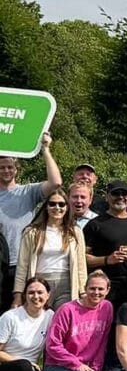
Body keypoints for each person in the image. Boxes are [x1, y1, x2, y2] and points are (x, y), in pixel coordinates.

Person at [0, 132, 63, 311]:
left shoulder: (27, 191)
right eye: (2, 168)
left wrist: (45, 149)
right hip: (0, 264)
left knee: (21, 313)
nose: (6, 171)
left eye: (10, 167)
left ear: (16, 169)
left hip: (23, 264)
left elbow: (56, 183)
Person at [43, 271, 114, 371]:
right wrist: (76, 365)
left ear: (107, 290)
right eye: (92, 288)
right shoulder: (67, 309)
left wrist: (95, 368)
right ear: (85, 288)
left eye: (101, 289)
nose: (96, 292)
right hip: (58, 367)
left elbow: (102, 342)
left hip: (86, 368)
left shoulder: (107, 308)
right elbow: (52, 345)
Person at [13, 188, 87, 310]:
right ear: (46, 207)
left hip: (66, 284)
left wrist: (83, 291)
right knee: (40, 320)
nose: (57, 208)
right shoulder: (31, 232)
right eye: (52, 204)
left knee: (62, 319)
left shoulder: (75, 231)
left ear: (67, 207)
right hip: (39, 284)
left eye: (61, 204)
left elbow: (81, 264)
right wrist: (18, 295)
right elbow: (22, 265)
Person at [0, 277, 55, 371]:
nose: (36, 296)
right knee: (23, 365)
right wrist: (22, 362)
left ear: (48, 295)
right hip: (6, 370)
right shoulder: (10, 317)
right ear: (24, 295)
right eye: (31, 292)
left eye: (40, 292)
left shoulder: (50, 316)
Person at [83, 181, 127, 308]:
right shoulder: (95, 224)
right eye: (116, 193)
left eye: (124, 194)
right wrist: (107, 259)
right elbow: (81, 258)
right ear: (107, 196)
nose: (120, 197)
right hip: (102, 289)